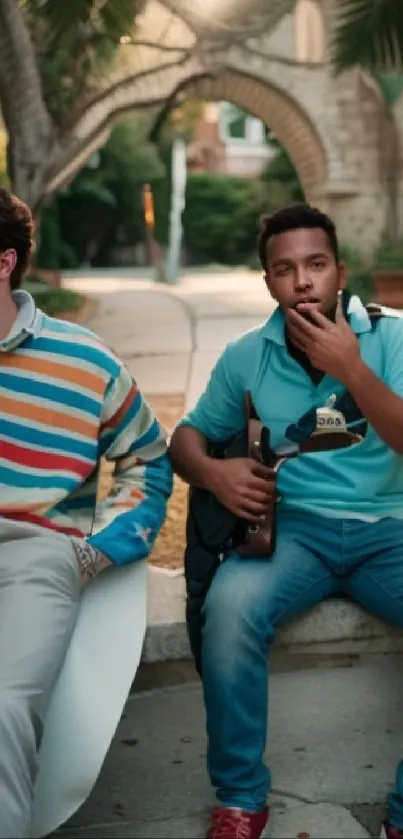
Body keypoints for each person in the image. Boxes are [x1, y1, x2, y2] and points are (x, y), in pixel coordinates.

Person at [169, 203, 403, 839]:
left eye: (316, 265)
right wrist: (217, 474)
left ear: (339, 271)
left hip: (391, 528)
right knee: (230, 612)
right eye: (286, 269)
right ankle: (241, 799)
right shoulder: (250, 355)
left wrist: (352, 367)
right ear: (268, 281)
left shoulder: (395, 337)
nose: (303, 281)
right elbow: (186, 437)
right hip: (296, 531)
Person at [0, 187, 173, 837]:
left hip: (35, 548)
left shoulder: (84, 358)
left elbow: (149, 464)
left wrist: (94, 549)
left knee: (4, 706)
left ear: (4, 262)